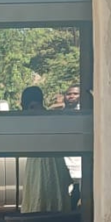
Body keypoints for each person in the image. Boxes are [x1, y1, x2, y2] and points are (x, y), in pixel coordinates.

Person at [20, 86, 73, 214]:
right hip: (54, 162)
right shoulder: (53, 116)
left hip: (39, 162)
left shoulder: (30, 118)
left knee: (38, 192)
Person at [62, 85, 82, 209]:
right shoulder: (60, 115)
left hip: (80, 164)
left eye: (75, 94)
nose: (71, 97)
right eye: (69, 94)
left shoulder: (84, 115)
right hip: (66, 163)